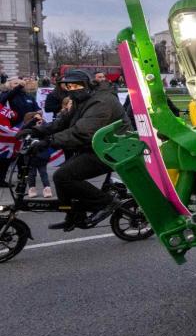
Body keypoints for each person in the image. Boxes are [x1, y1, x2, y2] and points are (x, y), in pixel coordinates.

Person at [25, 69, 126, 230]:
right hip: (97, 147)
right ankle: (73, 215)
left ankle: (106, 203)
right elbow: (63, 121)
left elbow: (83, 131)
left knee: (64, 176)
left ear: (87, 85)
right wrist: (37, 131)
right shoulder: (82, 99)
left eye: (75, 86)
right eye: (69, 87)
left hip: (113, 149)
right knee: (61, 177)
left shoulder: (102, 102)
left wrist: (49, 141)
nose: (72, 90)